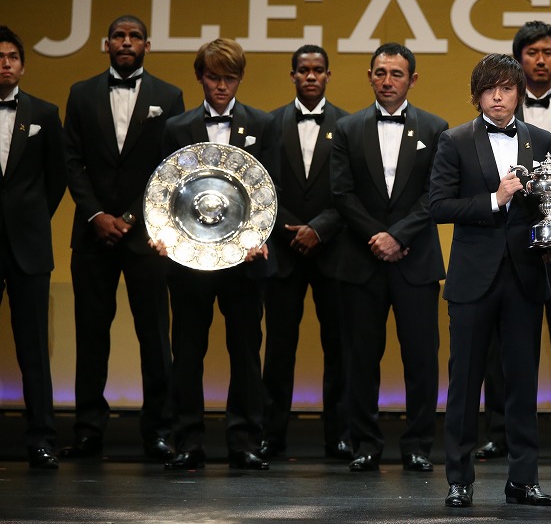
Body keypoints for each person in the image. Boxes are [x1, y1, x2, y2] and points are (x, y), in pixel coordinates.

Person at [431, 53, 551, 508]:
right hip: (473, 279)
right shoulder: (455, 140)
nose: (498, 97)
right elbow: (439, 206)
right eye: (490, 89)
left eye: (506, 88)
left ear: (519, 94)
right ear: (477, 96)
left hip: (525, 275)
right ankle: (459, 479)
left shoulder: (542, 140)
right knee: (464, 382)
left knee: (523, 382)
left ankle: (523, 480)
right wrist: (494, 198)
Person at [62, 14, 184, 460]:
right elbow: (71, 161)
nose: (126, 42)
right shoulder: (81, 93)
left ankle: (159, 430)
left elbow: (169, 166)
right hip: (92, 234)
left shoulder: (168, 96)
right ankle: (88, 429)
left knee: (154, 336)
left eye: (134, 36)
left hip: (146, 235)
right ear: (106, 43)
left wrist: (130, 216)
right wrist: (96, 214)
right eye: (119, 35)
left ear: (147, 46)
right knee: (91, 334)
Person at [475, 21, 551, 461]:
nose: (540, 60)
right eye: (531, 53)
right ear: (518, 60)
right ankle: (499, 432)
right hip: (512, 245)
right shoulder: (501, 110)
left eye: (547, 52)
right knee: (504, 344)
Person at [159, 38, 280, 471]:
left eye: (229, 78)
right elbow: (164, 190)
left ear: (240, 78)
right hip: (188, 262)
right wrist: (162, 234)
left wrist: (258, 237)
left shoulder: (263, 124)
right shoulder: (176, 127)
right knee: (187, 353)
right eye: (213, 77)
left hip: (245, 261)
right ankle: (187, 441)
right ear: (200, 77)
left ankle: (244, 441)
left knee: (245, 353)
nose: (222, 86)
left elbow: (269, 189)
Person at [330, 42, 446, 473]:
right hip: (362, 260)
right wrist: (377, 237)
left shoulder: (436, 128)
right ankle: (365, 443)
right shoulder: (346, 128)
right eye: (380, 73)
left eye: (396, 74)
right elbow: (341, 193)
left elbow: (436, 193)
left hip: (416, 260)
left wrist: (397, 236)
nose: (387, 81)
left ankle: (418, 445)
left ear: (412, 79)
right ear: (369, 76)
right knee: (360, 359)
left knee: (421, 359)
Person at [260, 45, 352, 460]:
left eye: (318, 70)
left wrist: (319, 229)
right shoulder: (269, 123)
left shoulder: (347, 125)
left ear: (328, 75)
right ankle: (271, 435)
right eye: (303, 70)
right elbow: (263, 185)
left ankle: (340, 436)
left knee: (340, 348)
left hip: (333, 251)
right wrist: (292, 230)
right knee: (279, 348)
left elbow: (348, 189)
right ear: (292, 75)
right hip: (284, 251)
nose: (311, 76)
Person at [0, 25, 67, 469]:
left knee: (34, 349)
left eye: (11, 56)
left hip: (29, 245)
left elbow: (56, 177)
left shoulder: (44, 112)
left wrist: (32, 218)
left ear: (22, 66)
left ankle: (41, 438)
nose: (5, 63)